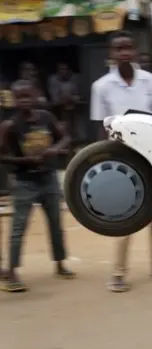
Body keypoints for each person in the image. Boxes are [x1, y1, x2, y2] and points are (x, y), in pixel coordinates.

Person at [90, 30, 152, 292]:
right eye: (119, 49)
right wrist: (101, 157)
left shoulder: (150, 81)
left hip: (151, 152)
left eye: (129, 47)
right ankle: (118, 273)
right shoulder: (101, 86)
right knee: (126, 212)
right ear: (112, 53)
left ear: (136, 51)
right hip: (121, 155)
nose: (125, 53)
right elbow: (99, 126)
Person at [0, 80, 74, 292]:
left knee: (56, 224)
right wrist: (25, 161)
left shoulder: (46, 117)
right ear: (13, 100)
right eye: (19, 98)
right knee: (18, 228)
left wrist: (55, 149)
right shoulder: (10, 126)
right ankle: (12, 272)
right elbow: (3, 156)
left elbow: (65, 137)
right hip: (25, 182)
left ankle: (60, 264)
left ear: (35, 96)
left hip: (48, 178)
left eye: (27, 96)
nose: (24, 101)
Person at [48, 63, 84, 148]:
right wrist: (62, 100)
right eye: (61, 69)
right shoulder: (53, 80)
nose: (64, 71)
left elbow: (81, 96)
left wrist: (73, 98)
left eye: (65, 69)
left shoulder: (75, 79)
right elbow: (54, 99)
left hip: (75, 109)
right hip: (59, 110)